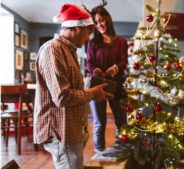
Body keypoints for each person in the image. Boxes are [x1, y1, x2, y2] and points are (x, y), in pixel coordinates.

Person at [34, 4, 112, 169]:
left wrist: (91, 83)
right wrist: (92, 93)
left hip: (72, 128)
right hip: (62, 132)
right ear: (77, 28)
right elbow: (62, 96)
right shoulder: (52, 50)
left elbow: (72, 86)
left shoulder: (69, 51)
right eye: (88, 32)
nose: (88, 38)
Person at [86, 4, 128, 152]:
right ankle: (99, 153)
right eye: (96, 22)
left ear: (108, 19)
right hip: (97, 86)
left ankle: (122, 152)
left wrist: (115, 68)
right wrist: (94, 69)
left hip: (117, 85)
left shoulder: (122, 42)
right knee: (99, 123)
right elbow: (89, 63)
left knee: (122, 122)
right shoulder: (92, 42)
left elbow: (124, 62)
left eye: (101, 20)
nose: (99, 25)